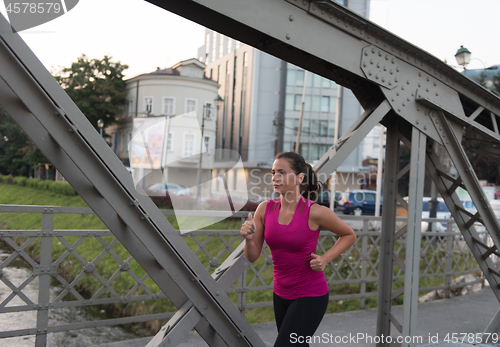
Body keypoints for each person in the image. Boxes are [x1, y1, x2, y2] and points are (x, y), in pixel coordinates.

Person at [240, 151, 356, 347]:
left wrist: (326, 258)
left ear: (300, 177)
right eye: (273, 172)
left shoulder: (315, 212)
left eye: (282, 173)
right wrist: (249, 240)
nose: (275, 178)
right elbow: (252, 257)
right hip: (280, 294)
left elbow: (349, 235)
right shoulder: (264, 209)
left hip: (310, 295)